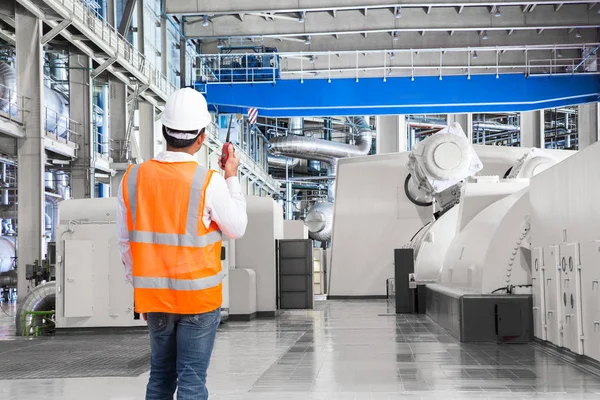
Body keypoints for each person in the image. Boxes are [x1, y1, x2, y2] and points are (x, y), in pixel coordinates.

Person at [116, 88, 247, 400]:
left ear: (164, 131)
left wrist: (142, 292)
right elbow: (237, 227)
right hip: (199, 301)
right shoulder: (208, 181)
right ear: (201, 138)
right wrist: (230, 177)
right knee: (191, 381)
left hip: (155, 299)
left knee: (160, 379)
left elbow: (125, 243)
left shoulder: (133, 178)